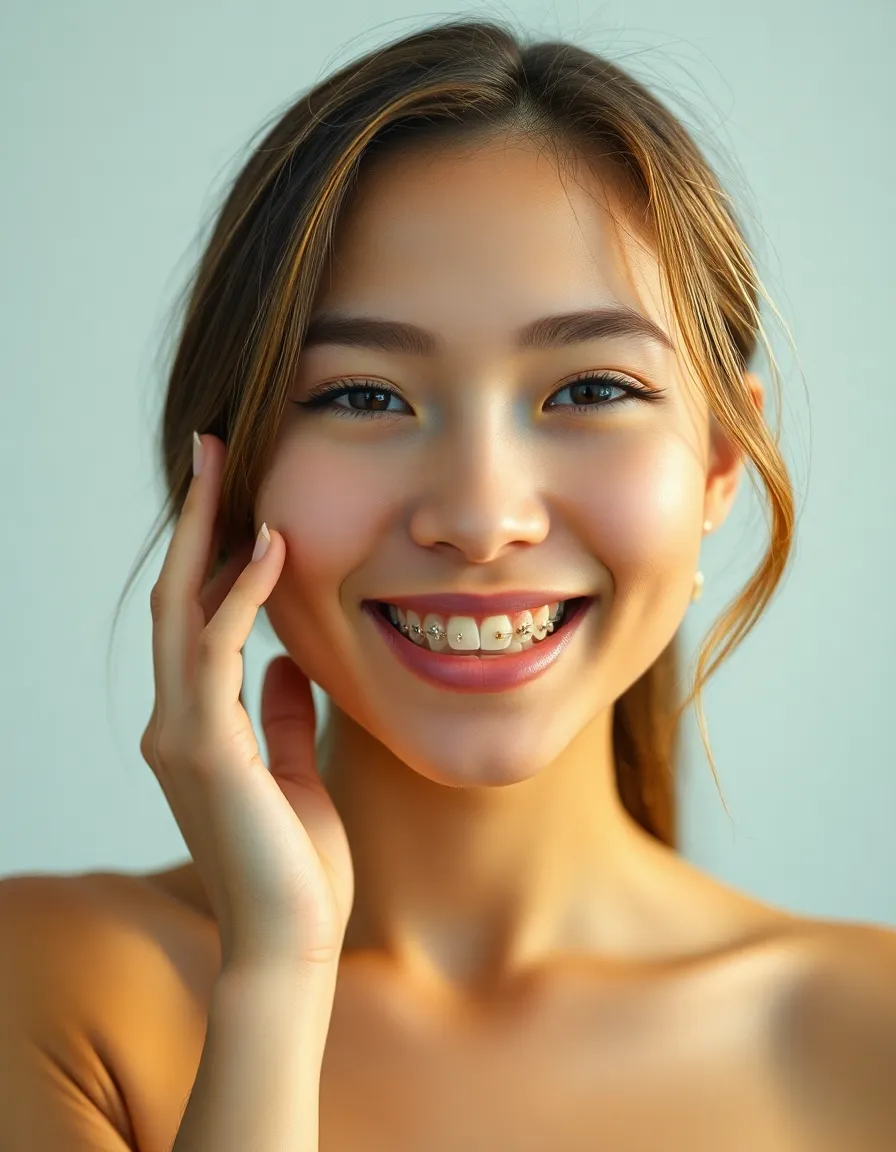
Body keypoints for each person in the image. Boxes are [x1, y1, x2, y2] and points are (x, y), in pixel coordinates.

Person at [1, 16, 894, 1152]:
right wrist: (275, 980)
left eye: (588, 391)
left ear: (720, 462)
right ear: (221, 477)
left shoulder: (871, 1037)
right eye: (365, 397)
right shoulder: (43, 989)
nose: (479, 520)